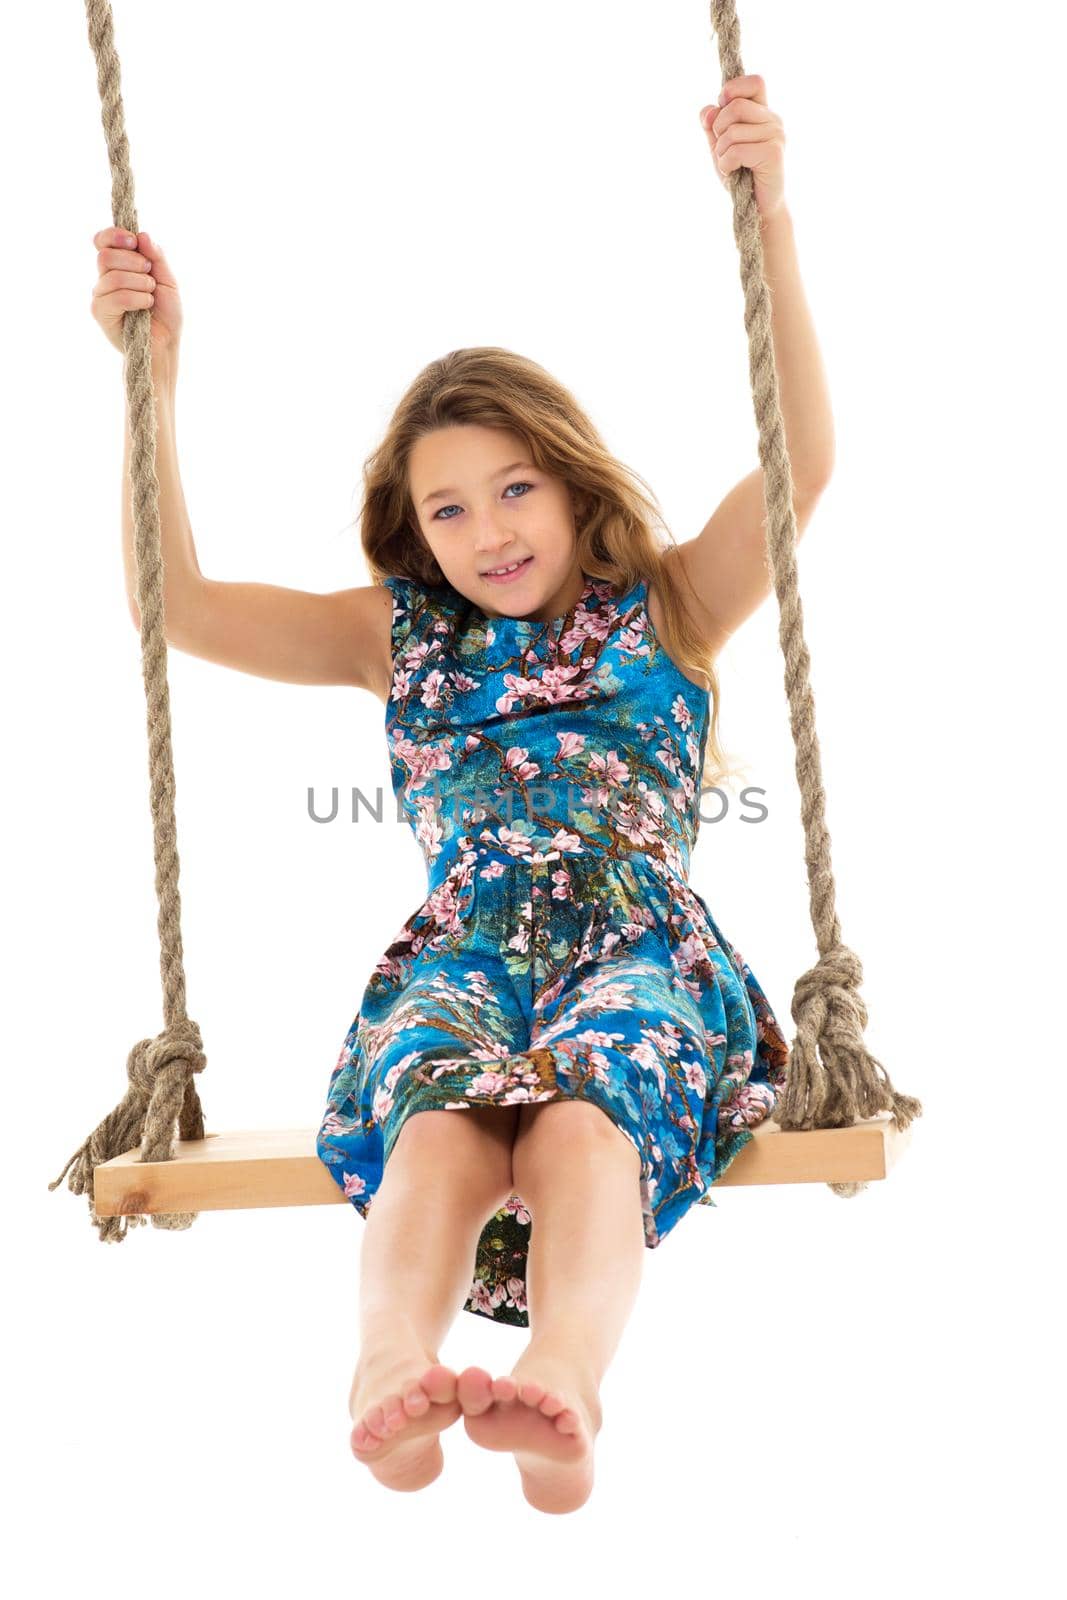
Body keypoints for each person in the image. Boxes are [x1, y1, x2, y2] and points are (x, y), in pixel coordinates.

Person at [88, 73, 834, 1516]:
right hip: (470, 946)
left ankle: (562, 1387)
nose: (487, 532)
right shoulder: (400, 639)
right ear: (412, 532)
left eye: (512, 492)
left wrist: (774, 222)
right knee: (434, 1108)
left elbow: (799, 470)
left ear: (566, 487)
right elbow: (172, 603)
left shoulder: (667, 608)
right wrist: (154, 382)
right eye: (447, 508)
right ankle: (387, 1368)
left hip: (637, 948)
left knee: (584, 1110)